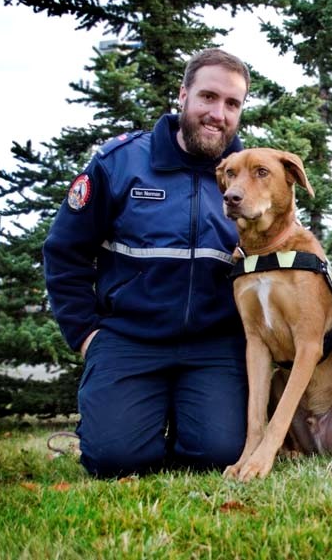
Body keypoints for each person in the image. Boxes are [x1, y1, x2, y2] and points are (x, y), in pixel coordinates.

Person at [43, 48, 251, 478]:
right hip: (129, 338)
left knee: (219, 455)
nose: (218, 113)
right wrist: (86, 334)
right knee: (115, 461)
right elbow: (64, 251)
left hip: (214, 344)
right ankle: (116, 428)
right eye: (208, 97)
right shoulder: (119, 163)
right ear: (183, 96)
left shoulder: (251, 175)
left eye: (232, 104)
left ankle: (190, 427)